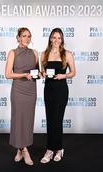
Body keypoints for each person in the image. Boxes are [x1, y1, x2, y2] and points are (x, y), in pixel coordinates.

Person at [40, 28, 76, 163]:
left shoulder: (67, 54)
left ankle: (59, 149)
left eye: (59, 38)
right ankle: (49, 150)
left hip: (61, 90)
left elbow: (73, 72)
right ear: (50, 39)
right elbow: (42, 70)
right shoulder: (44, 54)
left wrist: (64, 75)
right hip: (48, 90)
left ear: (62, 40)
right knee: (50, 119)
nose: (56, 40)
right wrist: (42, 73)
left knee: (58, 119)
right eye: (54, 37)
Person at [5, 27, 38, 166]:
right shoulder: (13, 53)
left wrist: (42, 74)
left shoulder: (35, 52)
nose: (27, 39)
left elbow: (37, 72)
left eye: (29, 36)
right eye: (24, 36)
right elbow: (8, 74)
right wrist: (24, 75)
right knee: (18, 120)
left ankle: (20, 149)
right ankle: (24, 150)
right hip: (18, 90)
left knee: (28, 121)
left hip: (31, 91)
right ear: (18, 37)